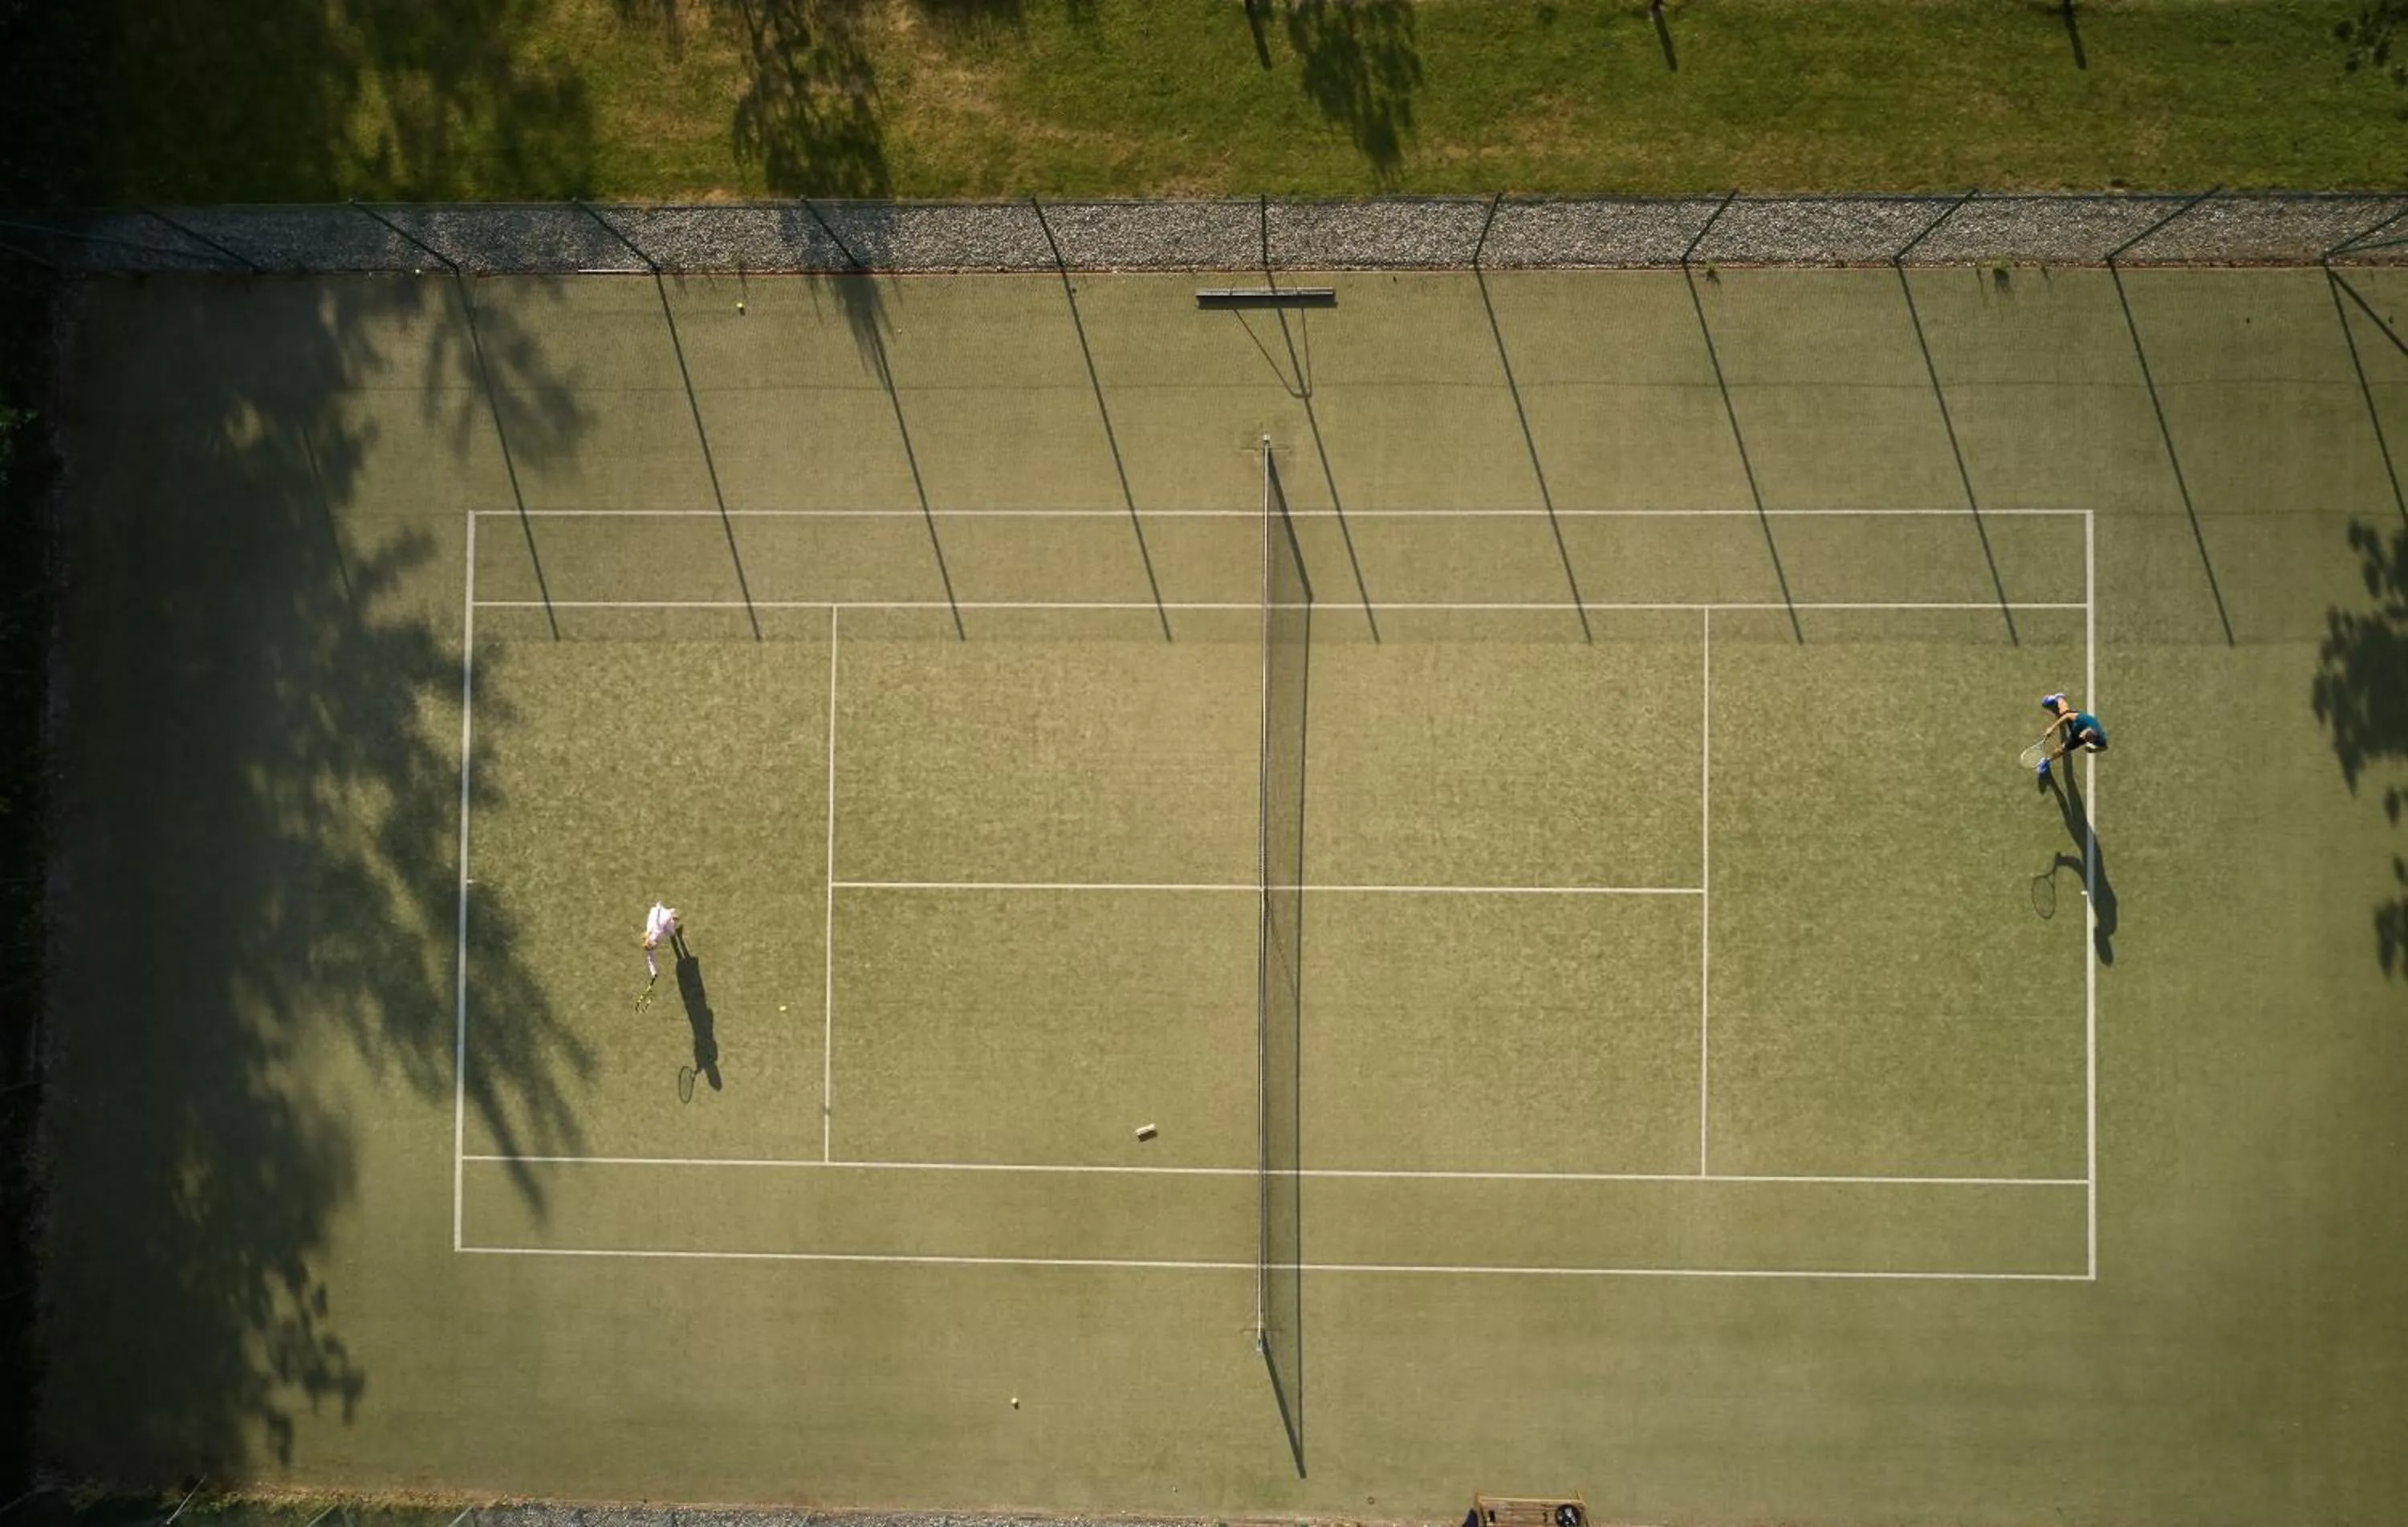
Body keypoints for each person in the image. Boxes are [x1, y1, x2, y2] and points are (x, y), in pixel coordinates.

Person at [2036, 693, 2107, 779]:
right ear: (2087, 730)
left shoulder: (2100, 740)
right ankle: (2059, 698)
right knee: (2063, 712)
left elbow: (2104, 747)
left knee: (2062, 750)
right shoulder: (2082, 720)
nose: (2082, 736)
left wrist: (2093, 750)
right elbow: (2067, 716)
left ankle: (2046, 761)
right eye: (2083, 735)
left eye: (2085, 739)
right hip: (2075, 723)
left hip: (2075, 736)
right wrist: (2052, 728)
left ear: (2092, 740)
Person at [642, 902, 685, 983]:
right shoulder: (650, 947)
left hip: (661, 919)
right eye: (655, 947)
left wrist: (659, 907)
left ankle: (675, 923)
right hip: (661, 925)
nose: (656, 947)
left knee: (672, 931)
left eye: (655, 945)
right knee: (671, 932)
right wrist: (653, 972)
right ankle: (675, 927)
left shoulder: (657, 930)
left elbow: (658, 918)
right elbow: (651, 960)